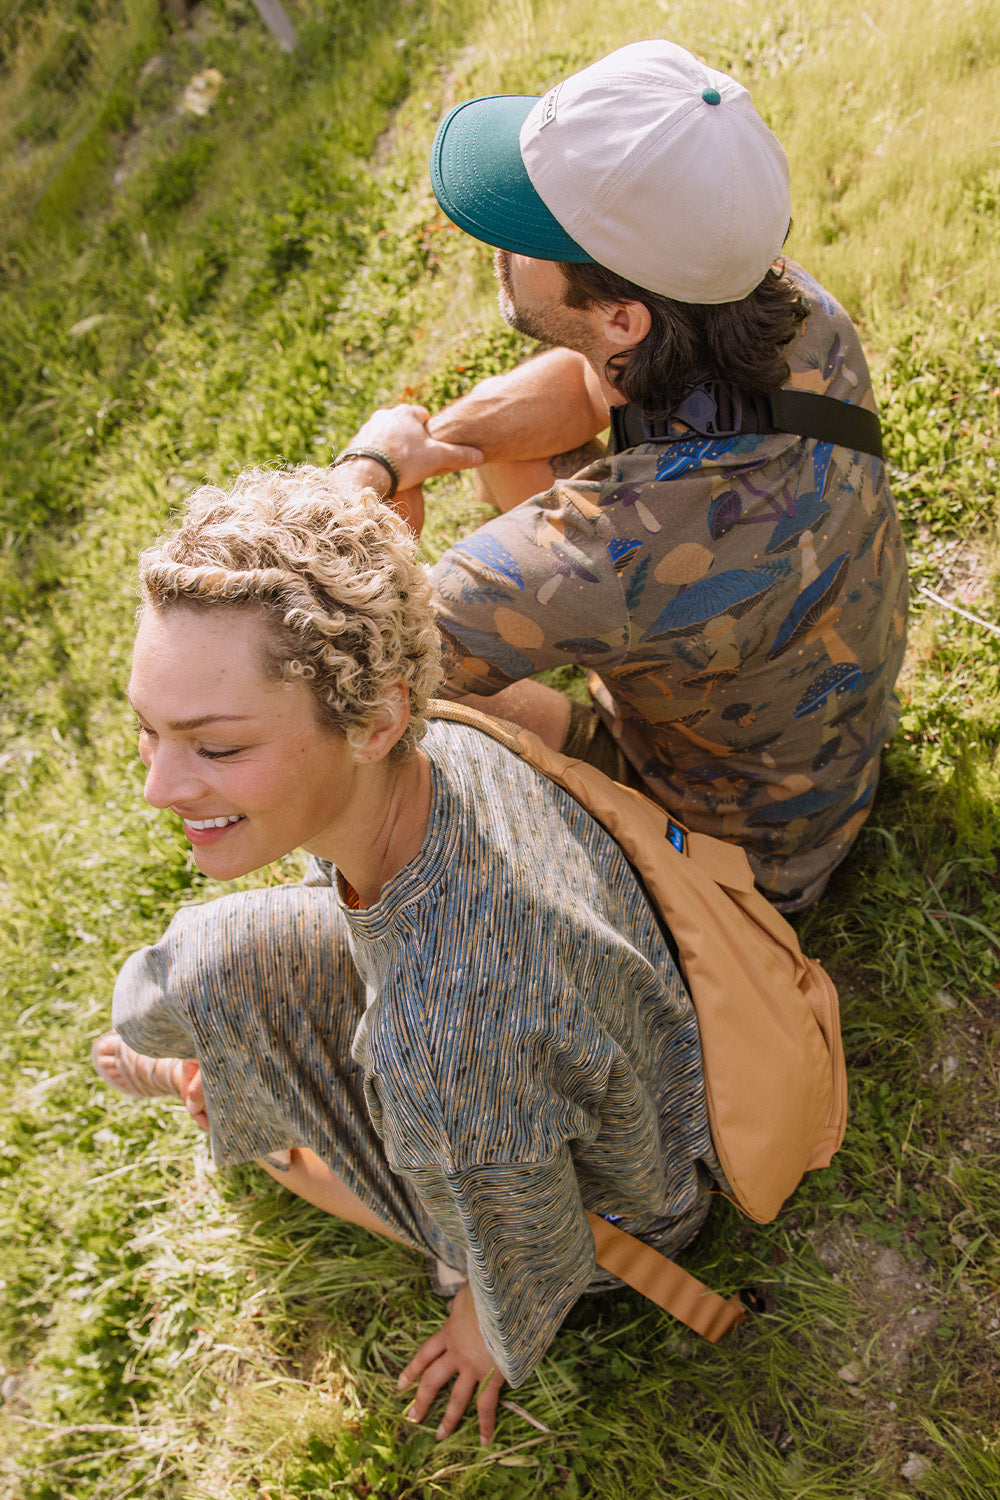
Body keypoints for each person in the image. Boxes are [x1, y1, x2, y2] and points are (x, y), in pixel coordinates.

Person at [96, 463, 725, 1444]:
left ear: (374, 721)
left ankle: (203, 1078)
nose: (159, 788)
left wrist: (481, 1329)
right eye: (150, 732)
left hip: (618, 1201)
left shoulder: (444, 1038)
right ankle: (188, 1054)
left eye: (215, 748)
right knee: (203, 960)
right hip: (622, 1035)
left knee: (277, 1144)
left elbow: (531, 1244)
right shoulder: (448, 747)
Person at [328, 39, 909, 912]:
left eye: (529, 234)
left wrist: (357, 481)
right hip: (820, 737)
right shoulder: (780, 304)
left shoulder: (601, 556)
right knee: (515, 458)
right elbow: (584, 385)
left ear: (622, 318)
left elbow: (343, 678)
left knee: (396, 736)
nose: (500, 245)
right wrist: (433, 442)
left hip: (735, 863)